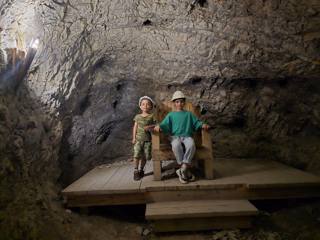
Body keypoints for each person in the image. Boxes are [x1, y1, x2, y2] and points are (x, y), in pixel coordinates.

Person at [154, 91, 210, 184]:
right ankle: (184, 169)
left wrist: (202, 125)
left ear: (184, 103)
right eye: (177, 102)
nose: (179, 103)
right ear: (174, 103)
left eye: (181, 101)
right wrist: (159, 126)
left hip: (187, 136)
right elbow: (164, 124)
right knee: (176, 145)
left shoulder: (189, 114)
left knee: (191, 145)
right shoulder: (171, 115)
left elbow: (196, 123)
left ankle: (182, 168)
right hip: (174, 136)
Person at [132, 96, 157, 181]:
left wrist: (150, 126)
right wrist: (134, 138)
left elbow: (157, 125)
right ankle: (135, 170)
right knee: (136, 155)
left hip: (148, 140)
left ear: (151, 106)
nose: (145, 106)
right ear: (140, 106)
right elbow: (135, 127)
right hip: (138, 140)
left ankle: (141, 169)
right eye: (143, 104)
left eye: (147, 104)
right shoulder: (137, 116)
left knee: (145, 156)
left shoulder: (152, 116)